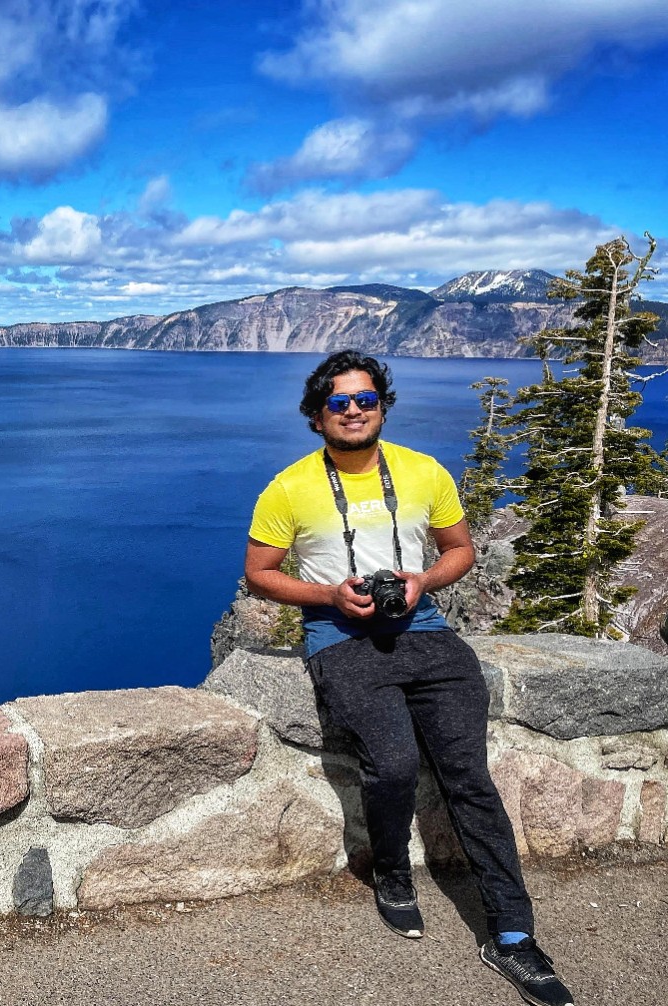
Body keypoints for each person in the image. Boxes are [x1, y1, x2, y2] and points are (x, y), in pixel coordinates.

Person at [244, 350, 575, 1006]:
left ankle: (513, 934)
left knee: (470, 781)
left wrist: (422, 579)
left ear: (382, 406)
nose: (354, 410)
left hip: (427, 635)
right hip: (340, 640)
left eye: (365, 398)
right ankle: (392, 872)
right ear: (318, 417)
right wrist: (331, 597)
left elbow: (461, 550)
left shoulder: (423, 472)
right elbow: (260, 572)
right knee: (393, 766)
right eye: (339, 402)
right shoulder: (288, 488)